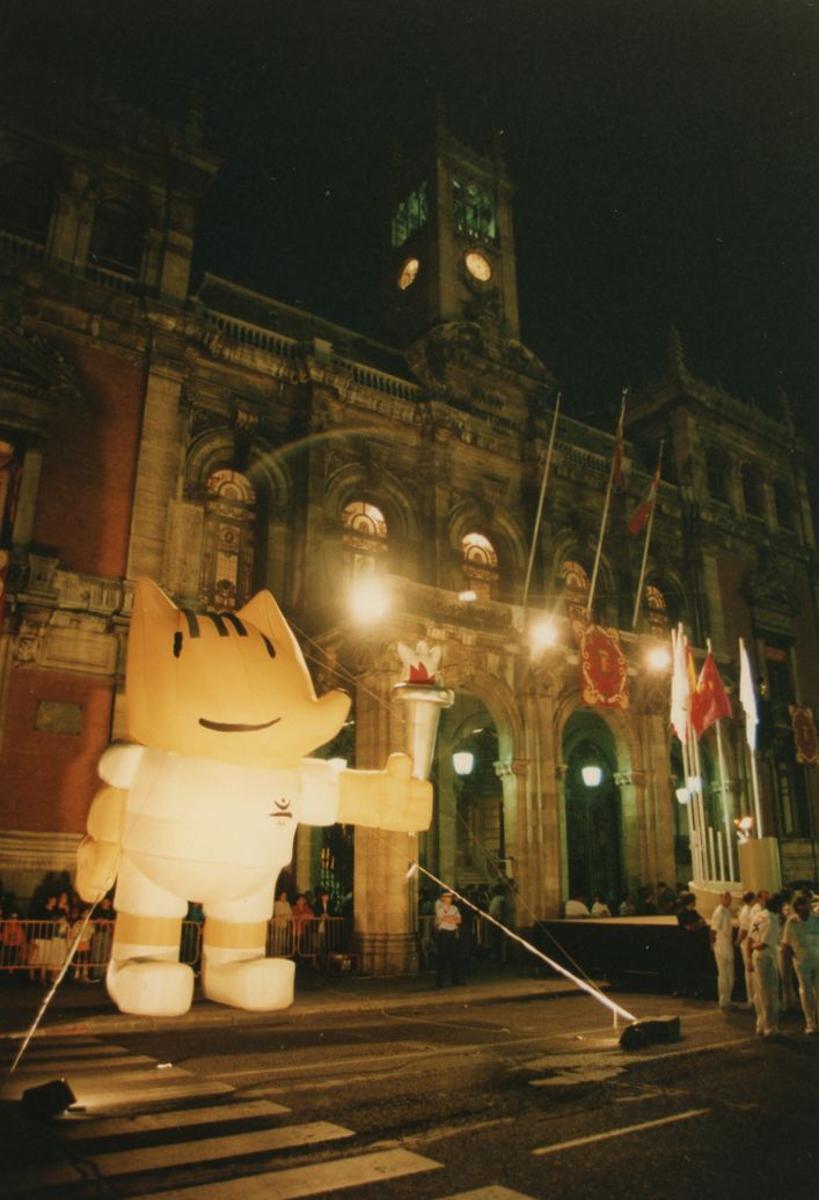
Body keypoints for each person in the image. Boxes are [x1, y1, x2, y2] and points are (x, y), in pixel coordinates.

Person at [781, 892, 819, 1035]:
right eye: (801, 905)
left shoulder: (816, 919)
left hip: (818, 960)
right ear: (796, 907)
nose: (805, 907)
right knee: (806, 992)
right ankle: (810, 1022)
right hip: (801, 963)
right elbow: (786, 946)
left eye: (806, 904)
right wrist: (786, 968)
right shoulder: (791, 923)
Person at [748, 892, 783, 1037]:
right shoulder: (772, 919)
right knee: (769, 993)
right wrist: (756, 946)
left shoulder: (758, 915)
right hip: (766, 957)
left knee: (759, 993)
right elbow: (764, 943)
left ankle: (760, 1024)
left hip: (756, 957)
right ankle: (770, 1027)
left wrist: (750, 953)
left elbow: (751, 938)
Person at [673, 893, 706, 997]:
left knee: (694, 966)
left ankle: (693, 988)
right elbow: (688, 927)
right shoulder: (681, 913)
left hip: (692, 943)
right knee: (684, 967)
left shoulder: (693, 912)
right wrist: (697, 925)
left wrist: (695, 926)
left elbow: (703, 922)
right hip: (685, 944)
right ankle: (684, 988)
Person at [709, 891, 735, 1009]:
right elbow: (713, 930)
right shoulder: (719, 912)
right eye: (726, 898)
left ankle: (728, 999)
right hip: (721, 944)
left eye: (730, 898)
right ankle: (723, 1000)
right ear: (721, 898)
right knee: (724, 973)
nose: (729, 900)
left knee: (729, 973)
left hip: (727, 943)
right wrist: (713, 944)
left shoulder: (727, 911)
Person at [434, 890, 462, 987]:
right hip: (444, 933)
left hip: (452, 933)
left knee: (455, 957)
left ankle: (456, 980)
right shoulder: (440, 908)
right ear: (442, 898)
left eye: (450, 896)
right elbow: (442, 918)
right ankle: (439, 982)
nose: (449, 898)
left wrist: (448, 918)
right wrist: (451, 918)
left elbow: (458, 920)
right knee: (442, 957)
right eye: (447, 896)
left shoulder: (455, 908)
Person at [736, 890, 757, 1006]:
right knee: (749, 970)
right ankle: (752, 998)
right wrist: (738, 942)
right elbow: (744, 930)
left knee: (750, 970)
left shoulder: (747, 910)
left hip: (747, 942)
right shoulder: (747, 912)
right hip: (746, 943)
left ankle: (753, 997)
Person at [271, 889, 293, 956]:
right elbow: (278, 914)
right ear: (279, 896)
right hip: (277, 924)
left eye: (285, 896)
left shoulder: (287, 903)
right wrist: (284, 915)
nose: (284, 897)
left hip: (284, 924)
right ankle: (275, 953)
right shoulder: (276, 903)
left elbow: (290, 913)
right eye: (283, 896)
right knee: (277, 940)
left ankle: (281, 953)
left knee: (283, 940)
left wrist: (285, 915)